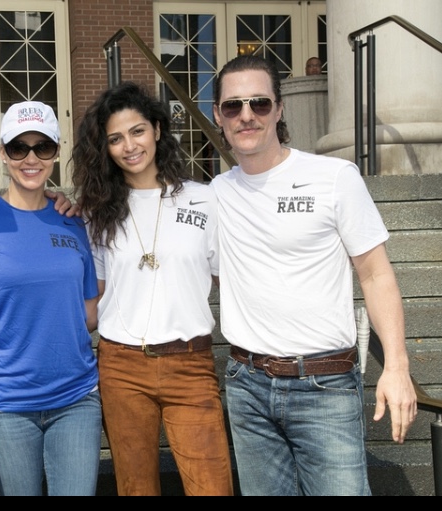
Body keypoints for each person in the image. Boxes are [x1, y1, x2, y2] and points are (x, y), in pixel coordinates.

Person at [211, 54, 417, 496]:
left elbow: (376, 275)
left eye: (259, 103)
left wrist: (396, 367)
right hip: (247, 386)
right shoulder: (216, 194)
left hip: (323, 386)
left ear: (279, 109)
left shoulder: (334, 177)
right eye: (233, 106)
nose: (246, 115)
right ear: (218, 116)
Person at [72, 82, 233, 496]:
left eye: (137, 131)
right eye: (115, 138)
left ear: (158, 130)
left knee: (212, 486)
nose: (129, 145)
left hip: (191, 364)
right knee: (135, 487)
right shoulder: (98, 211)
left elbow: (226, 277)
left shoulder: (204, 199)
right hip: (121, 365)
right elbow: (100, 290)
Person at [0, 101, 101, 496]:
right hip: (7, 403)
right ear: (2, 153)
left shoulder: (73, 222)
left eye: (42, 147)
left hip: (76, 398)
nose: (30, 158)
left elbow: (88, 312)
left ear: (56, 152)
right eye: (18, 147)